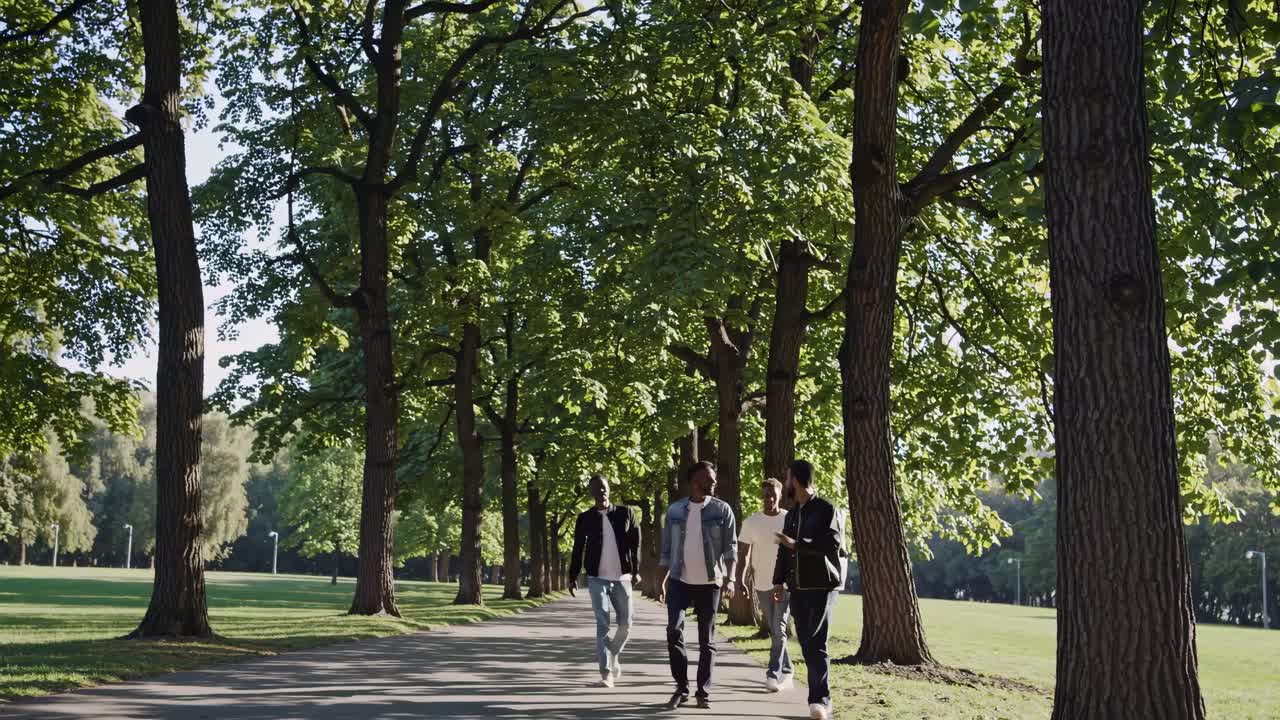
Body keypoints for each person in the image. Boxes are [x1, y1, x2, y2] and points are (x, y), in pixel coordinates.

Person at [658, 461, 737, 710]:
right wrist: (662, 581)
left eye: (714, 479)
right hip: (679, 581)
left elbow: (730, 548)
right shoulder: (674, 511)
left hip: (710, 583)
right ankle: (681, 688)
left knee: (707, 640)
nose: (713, 483)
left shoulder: (722, 511)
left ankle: (703, 692)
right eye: (709, 479)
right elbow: (667, 551)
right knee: (674, 631)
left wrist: (731, 578)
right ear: (695, 481)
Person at [772, 460, 844, 720]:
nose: (786, 481)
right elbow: (783, 550)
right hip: (796, 588)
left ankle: (820, 701)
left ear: (796, 480)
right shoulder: (792, 514)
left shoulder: (825, 508)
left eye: (788, 477)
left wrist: (798, 544)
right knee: (806, 642)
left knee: (817, 642)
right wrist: (778, 582)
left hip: (821, 586)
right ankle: (820, 697)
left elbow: (832, 544)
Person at [568, 474, 641, 689]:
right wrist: (572, 576)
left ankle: (613, 653)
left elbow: (635, 544)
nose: (602, 491)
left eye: (605, 487)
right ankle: (606, 673)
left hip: (622, 577)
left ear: (609, 489)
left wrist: (636, 570)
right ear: (591, 492)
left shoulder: (626, 513)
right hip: (596, 577)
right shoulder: (585, 518)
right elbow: (577, 548)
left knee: (626, 624)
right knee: (603, 624)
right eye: (597, 488)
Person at [737, 477, 793, 691]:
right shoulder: (752, 522)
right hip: (760, 583)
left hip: (783, 585)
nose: (768, 497)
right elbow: (744, 553)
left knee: (778, 627)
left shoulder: (789, 520)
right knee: (773, 627)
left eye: (773, 493)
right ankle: (787, 668)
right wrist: (741, 579)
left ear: (780, 494)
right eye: (765, 494)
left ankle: (772, 674)